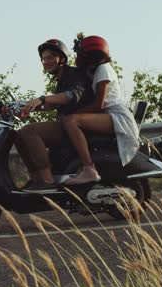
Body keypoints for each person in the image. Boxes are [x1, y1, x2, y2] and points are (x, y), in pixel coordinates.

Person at [13, 39, 94, 191]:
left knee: (29, 131)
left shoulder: (73, 74)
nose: (45, 62)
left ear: (61, 58)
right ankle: (36, 178)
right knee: (17, 135)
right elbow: (54, 104)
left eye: (50, 57)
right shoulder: (62, 78)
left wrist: (42, 98)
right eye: (43, 59)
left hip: (76, 126)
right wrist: (29, 107)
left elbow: (71, 96)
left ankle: (47, 180)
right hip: (65, 123)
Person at [61, 35, 140, 184]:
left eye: (79, 55)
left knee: (71, 121)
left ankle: (89, 169)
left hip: (117, 116)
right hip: (108, 115)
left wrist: (73, 114)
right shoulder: (95, 70)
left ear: (89, 58)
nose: (76, 58)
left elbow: (99, 105)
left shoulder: (103, 70)